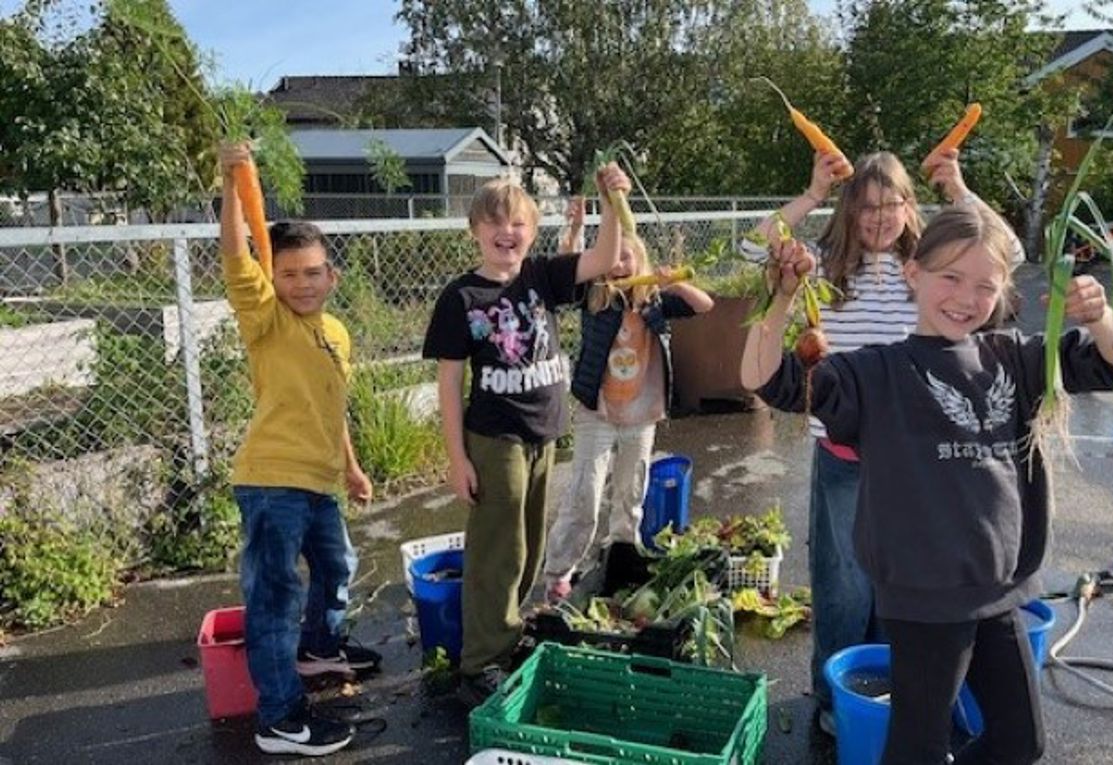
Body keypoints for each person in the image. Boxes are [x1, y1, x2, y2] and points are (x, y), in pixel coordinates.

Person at [740, 202, 1113, 764]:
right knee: (919, 746)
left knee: (1020, 741)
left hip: (999, 588)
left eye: (985, 285)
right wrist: (781, 296)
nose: (966, 297)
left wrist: (1101, 317)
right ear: (914, 274)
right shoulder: (876, 374)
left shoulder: (1016, 359)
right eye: (950, 277)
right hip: (925, 595)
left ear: (1003, 291)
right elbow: (765, 379)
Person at [743, 147, 998, 735]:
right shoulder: (826, 265)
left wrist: (958, 191)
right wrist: (810, 194)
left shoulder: (931, 269)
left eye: (893, 204)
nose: (880, 218)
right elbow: (749, 248)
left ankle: (889, 695)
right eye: (867, 207)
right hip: (844, 456)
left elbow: (1002, 253)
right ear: (850, 212)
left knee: (902, 584)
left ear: (911, 208)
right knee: (844, 589)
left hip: (914, 460)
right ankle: (835, 699)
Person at [422, 166, 630, 706]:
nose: (506, 231)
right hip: (494, 436)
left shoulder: (540, 276)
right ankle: (479, 662)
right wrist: (456, 456)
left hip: (543, 433)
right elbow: (449, 380)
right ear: (474, 230)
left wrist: (612, 201)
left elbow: (605, 259)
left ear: (532, 232)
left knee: (531, 542)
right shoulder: (461, 297)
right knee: (500, 546)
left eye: (517, 222)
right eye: (494, 221)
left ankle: (506, 635)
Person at [219, 143, 378, 757]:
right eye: (288, 273)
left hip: (319, 482)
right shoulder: (266, 321)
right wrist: (235, 182)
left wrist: (353, 468)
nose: (302, 283)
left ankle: (318, 652)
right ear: (273, 279)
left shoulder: (335, 332)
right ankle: (280, 719)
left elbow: (331, 408)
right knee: (275, 597)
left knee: (338, 568)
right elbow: (237, 255)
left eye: (313, 272)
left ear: (332, 275)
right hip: (270, 482)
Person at [542, 218, 714, 602]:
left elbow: (705, 305)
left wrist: (675, 283)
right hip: (598, 413)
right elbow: (565, 276)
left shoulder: (654, 302)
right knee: (584, 493)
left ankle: (619, 555)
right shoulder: (594, 296)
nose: (619, 267)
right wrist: (573, 235)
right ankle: (558, 572)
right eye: (612, 259)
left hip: (641, 416)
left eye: (627, 259)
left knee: (630, 494)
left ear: (641, 262)